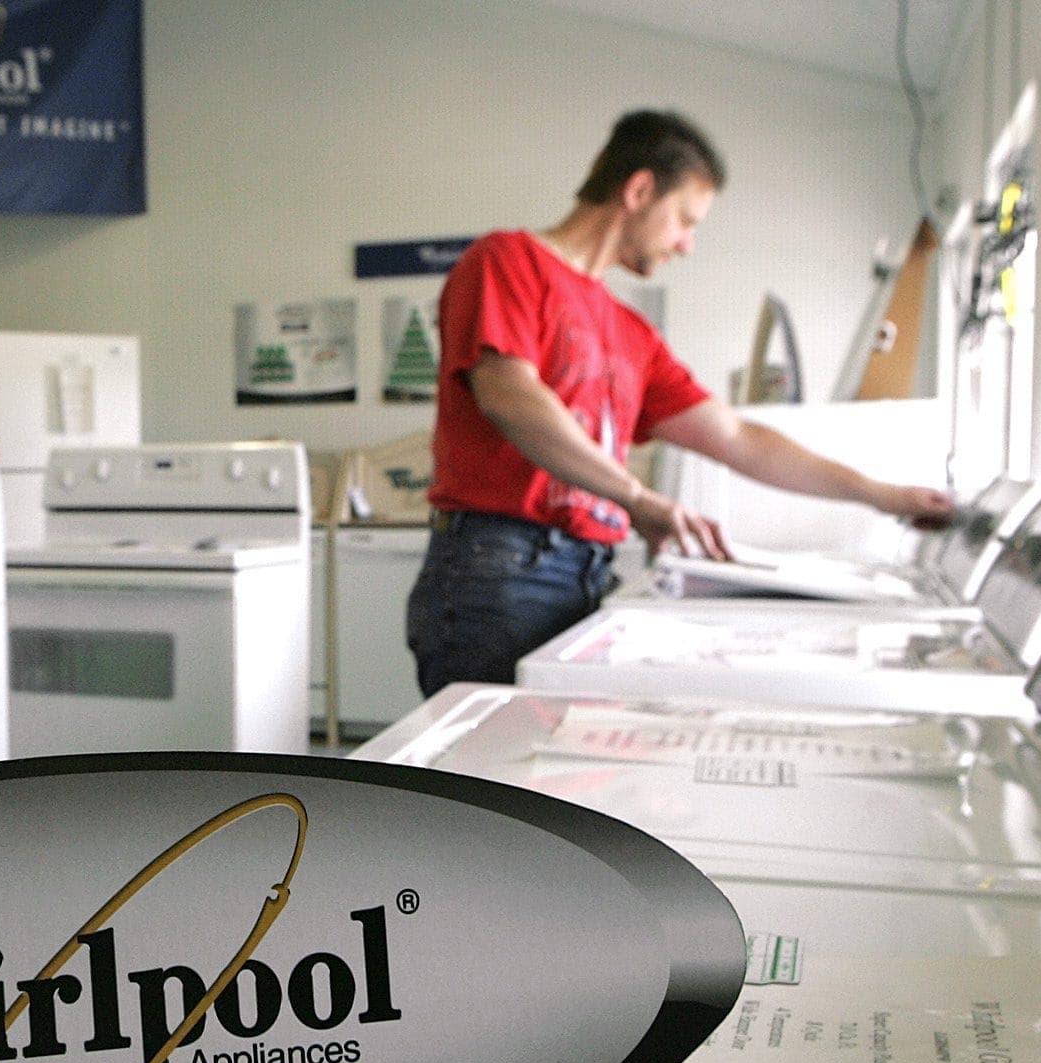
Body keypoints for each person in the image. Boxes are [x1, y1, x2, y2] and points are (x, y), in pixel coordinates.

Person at [406, 109, 954, 697]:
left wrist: (885, 496)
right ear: (639, 190)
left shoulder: (629, 332)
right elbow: (510, 397)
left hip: (586, 572)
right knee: (486, 780)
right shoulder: (506, 261)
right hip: (498, 567)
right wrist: (636, 498)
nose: (687, 245)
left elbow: (738, 439)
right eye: (685, 221)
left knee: (537, 778)